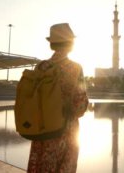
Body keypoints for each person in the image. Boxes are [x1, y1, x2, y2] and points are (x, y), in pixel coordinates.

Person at [27, 23, 89, 173]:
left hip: (42, 129)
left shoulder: (41, 66)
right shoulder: (75, 68)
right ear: (69, 43)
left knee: (41, 166)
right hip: (65, 130)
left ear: (52, 43)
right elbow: (80, 106)